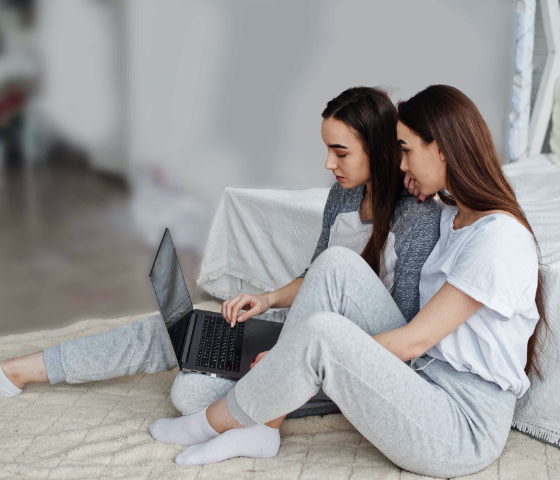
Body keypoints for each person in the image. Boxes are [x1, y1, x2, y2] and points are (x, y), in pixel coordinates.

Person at [146, 85, 548, 478]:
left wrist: (297, 355)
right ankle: (263, 427)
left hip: (461, 424)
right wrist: (285, 342)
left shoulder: (499, 239)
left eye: (406, 151)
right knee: (337, 263)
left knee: (321, 335)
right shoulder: (453, 214)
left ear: (441, 148)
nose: (402, 164)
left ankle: (209, 424)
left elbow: (414, 341)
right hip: (423, 377)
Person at [0, 87, 440, 435]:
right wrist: (267, 301)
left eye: (340, 152)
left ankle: (258, 416)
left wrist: (290, 356)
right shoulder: (343, 195)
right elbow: (317, 274)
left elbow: (402, 332)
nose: (328, 164)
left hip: (345, 361)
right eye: (328, 149)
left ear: (381, 150)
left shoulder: (416, 217)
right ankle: (20, 370)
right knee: (179, 332)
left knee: (191, 394)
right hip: (299, 330)